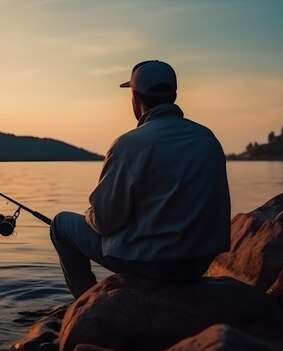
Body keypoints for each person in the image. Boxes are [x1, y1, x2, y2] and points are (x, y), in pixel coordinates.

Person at [50, 60, 231, 299]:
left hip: (152, 266)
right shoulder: (207, 138)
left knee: (61, 225)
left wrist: (90, 214)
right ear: (173, 95)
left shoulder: (129, 144)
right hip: (197, 264)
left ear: (135, 97)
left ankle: (86, 302)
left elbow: (105, 222)